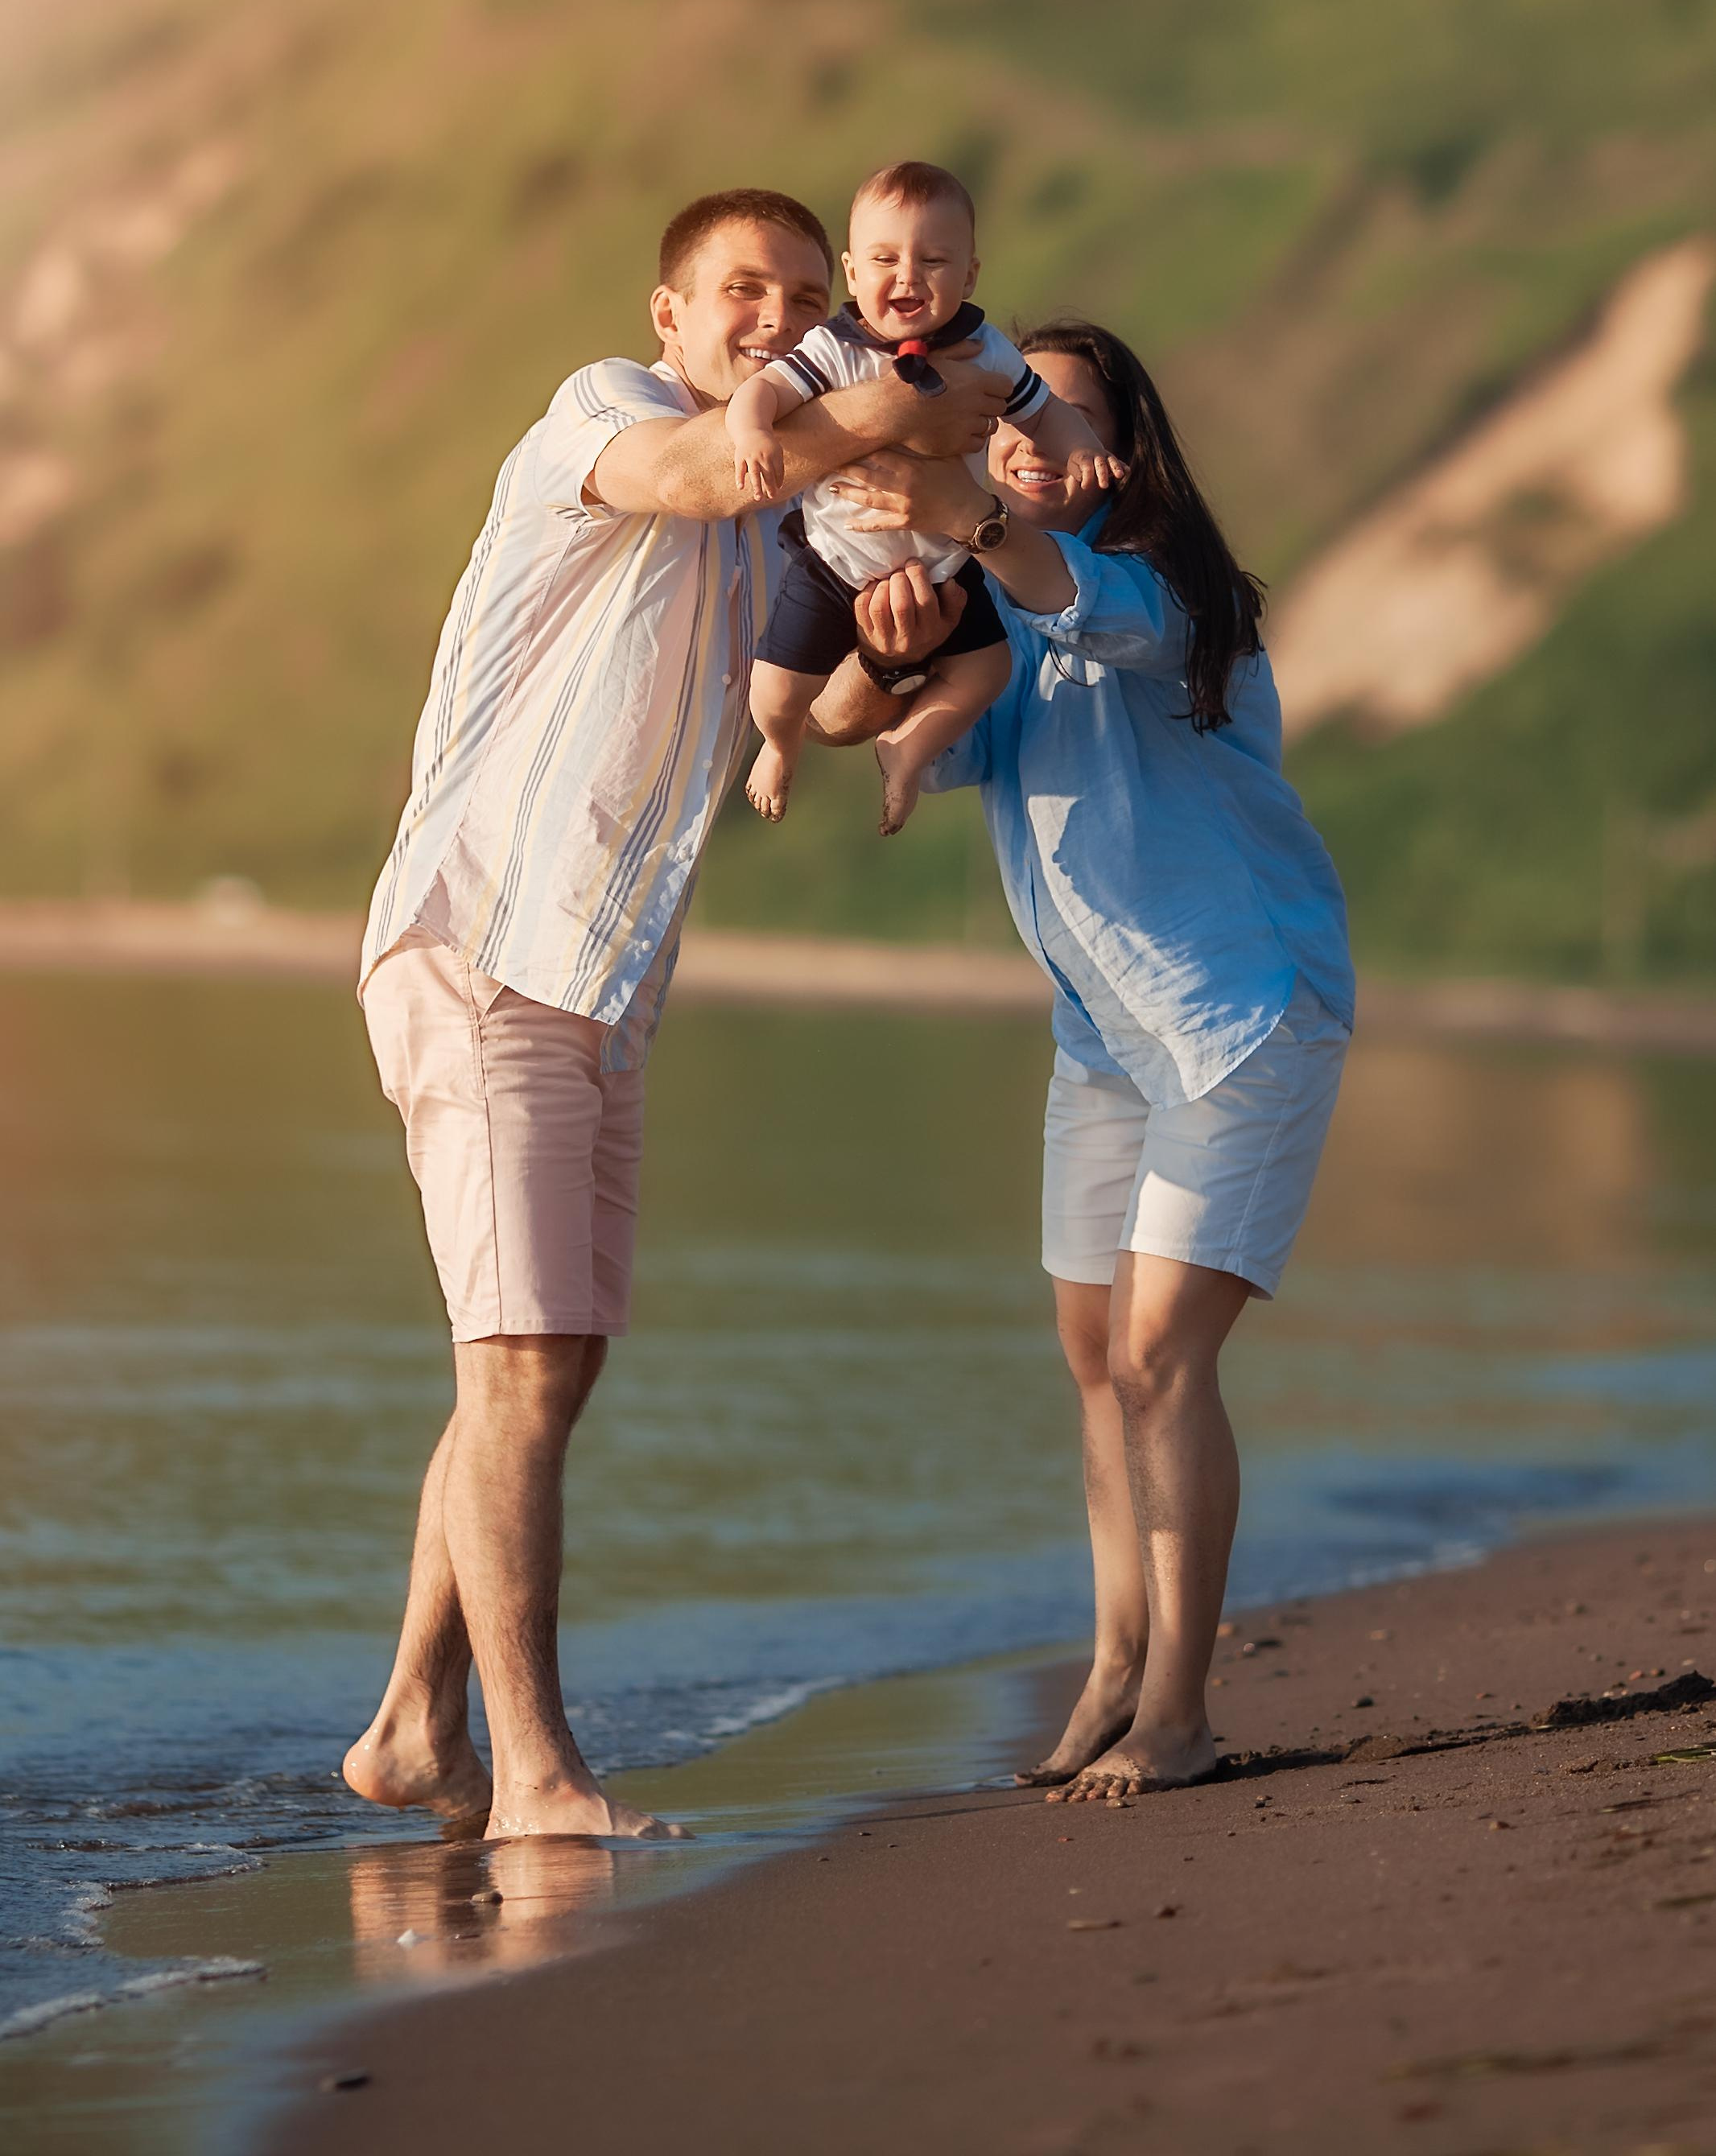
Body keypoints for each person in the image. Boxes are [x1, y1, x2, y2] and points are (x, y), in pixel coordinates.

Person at [344, 188, 1012, 1842]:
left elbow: (830, 707)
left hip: (603, 981)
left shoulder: (767, 525)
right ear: (666, 313)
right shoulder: (604, 415)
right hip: (486, 951)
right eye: (739, 292)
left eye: (799, 295)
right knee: (511, 1368)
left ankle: (412, 1729)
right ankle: (536, 1781)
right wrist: (943, 393)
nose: (769, 319)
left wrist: (898, 640)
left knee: (543, 1369)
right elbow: (732, 462)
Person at [819, 319, 1354, 1801]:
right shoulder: (1010, 616)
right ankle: (1115, 1660)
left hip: (1238, 1013)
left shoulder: (1173, 592)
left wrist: (973, 512)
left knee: (1159, 1355)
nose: (1020, 433)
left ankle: (1180, 1707)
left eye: (1052, 413)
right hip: (1102, 1039)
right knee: (1090, 1361)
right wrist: (891, 646)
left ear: (1120, 445)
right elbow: (869, 718)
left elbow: (1075, 592)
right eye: (1005, 411)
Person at [728, 162, 1099, 835]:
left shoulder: (988, 352)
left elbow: (1045, 413)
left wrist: (1082, 448)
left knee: (986, 668)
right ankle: (779, 746)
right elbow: (764, 392)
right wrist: (752, 429)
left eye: (933, 259)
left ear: (970, 275)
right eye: (884, 258)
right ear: (851, 270)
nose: (907, 276)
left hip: (946, 564)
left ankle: (908, 753)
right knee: (778, 688)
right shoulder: (834, 350)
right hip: (836, 560)